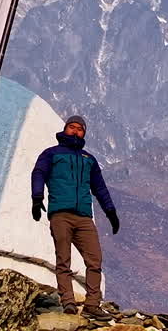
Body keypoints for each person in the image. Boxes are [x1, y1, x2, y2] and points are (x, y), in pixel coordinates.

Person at [31, 115, 120, 319]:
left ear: (84, 133)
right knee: (64, 260)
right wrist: (37, 198)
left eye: (80, 129)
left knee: (95, 259)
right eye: (72, 127)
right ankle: (68, 302)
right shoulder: (51, 154)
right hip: (61, 214)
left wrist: (111, 212)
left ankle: (92, 305)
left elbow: (100, 187)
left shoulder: (89, 159)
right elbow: (38, 173)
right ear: (65, 129)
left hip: (84, 218)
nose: (75, 131)